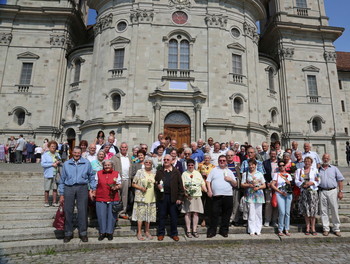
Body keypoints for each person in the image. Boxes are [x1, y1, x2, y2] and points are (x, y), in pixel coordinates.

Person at [59, 146, 96, 243]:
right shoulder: (66, 164)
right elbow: (62, 179)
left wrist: (93, 188)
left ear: (81, 153)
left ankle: (83, 233)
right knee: (68, 211)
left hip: (82, 187)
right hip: (69, 188)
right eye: (75, 152)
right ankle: (68, 233)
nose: (76, 154)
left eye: (78, 153)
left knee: (83, 211)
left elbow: (91, 176)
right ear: (72, 153)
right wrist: (61, 193)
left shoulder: (86, 163)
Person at [155, 154, 184, 241]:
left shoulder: (176, 172)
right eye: (165, 160)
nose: (166, 161)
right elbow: (155, 183)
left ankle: (174, 233)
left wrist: (180, 198)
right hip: (162, 197)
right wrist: (157, 186)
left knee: (174, 217)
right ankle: (161, 233)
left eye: (168, 159)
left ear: (171, 161)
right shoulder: (159, 171)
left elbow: (180, 186)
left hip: (173, 198)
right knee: (161, 216)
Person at [206, 155, 237, 238]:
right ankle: (212, 231)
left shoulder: (229, 171)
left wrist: (230, 179)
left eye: (223, 160)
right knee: (214, 214)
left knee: (226, 215)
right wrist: (209, 190)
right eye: (220, 160)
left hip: (228, 195)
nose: (222, 162)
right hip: (217, 196)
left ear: (226, 161)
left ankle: (224, 231)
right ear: (218, 161)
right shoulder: (214, 170)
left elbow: (235, 184)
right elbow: (208, 181)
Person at [318, 153, 344, 237]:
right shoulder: (319, 169)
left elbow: (340, 180)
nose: (326, 159)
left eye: (327, 158)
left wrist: (340, 191)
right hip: (322, 191)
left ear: (329, 159)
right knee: (323, 211)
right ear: (322, 159)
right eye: (324, 158)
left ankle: (336, 228)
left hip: (332, 191)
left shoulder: (334, 168)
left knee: (334, 210)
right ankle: (326, 228)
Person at [95, 159, 121, 241]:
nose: (107, 166)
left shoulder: (116, 173)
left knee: (111, 216)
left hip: (113, 197)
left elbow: (119, 184)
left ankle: (109, 232)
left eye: (109, 165)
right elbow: (95, 184)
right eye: (105, 165)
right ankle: (102, 232)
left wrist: (116, 187)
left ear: (112, 166)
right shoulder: (98, 173)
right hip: (101, 196)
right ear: (103, 166)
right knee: (101, 215)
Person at [131, 157, 156, 240]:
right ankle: (139, 232)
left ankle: (147, 231)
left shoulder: (154, 173)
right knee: (140, 216)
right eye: (146, 162)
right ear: (144, 163)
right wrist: (141, 188)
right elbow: (133, 183)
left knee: (148, 216)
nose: (148, 163)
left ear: (152, 164)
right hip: (141, 197)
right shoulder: (140, 172)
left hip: (151, 197)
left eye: (149, 162)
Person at [181, 159, 207, 238]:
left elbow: (202, 183)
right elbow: (182, 185)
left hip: (197, 196)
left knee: (196, 213)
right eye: (189, 165)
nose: (190, 166)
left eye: (192, 165)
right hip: (188, 196)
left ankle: (194, 230)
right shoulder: (184, 174)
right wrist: (185, 192)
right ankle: (188, 230)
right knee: (188, 213)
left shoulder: (198, 173)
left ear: (194, 165)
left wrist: (207, 191)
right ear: (187, 165)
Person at [295, 157, 320, 236]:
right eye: (305, 161)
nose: (307, 163)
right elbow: (296, 180)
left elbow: (319, 180)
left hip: (312, 192)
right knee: (306, 210)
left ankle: (313, 227)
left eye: (309, 161)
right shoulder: (299, 170)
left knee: (313, 210)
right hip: (304, 192)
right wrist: (303, 185)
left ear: (311, 163)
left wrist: (312, 183)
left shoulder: (315, 170)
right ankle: (307, 227)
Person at [241, 159, 266, 236]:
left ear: (255, 165)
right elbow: (242, 184)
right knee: (251, 213)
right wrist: (249, 185)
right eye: (250, 165)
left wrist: (258, 187)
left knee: (258, 213)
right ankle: (251, 230)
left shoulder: (260, 174)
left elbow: (264, 185)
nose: (251, 166)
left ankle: (258, 229)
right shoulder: (245, 174)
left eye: (253, 165)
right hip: (250, 195)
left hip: (259, 195)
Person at [270, 161, 293, 236]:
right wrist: (279, 191)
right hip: (280, 194)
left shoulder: (288, 175)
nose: (281, 167)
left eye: (283, 165)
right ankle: (280, 229)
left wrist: (288, 182)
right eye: (280, 166)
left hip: (288, 194)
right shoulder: (276, 175)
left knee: (287, 212)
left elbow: (291, 185)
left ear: (285, 166)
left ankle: (286, 229)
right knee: (282, 212)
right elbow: (272, 185)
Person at [111, 142, 132, 218]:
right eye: (122, 147)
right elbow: (112, 168)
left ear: (127, 148)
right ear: (120, 148)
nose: (124, 149)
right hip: (117, 180)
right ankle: (115, 211)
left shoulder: (130, 157)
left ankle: (123, 211)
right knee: (117, 196)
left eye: (125, 147)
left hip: (126, 179)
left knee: (124, 196)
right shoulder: (115, 157)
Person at [41, 140, 61, 207]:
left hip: (55, 174)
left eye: (55, 146)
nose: (53, 148)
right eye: (52, 146)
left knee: (55, 188)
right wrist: (52, 164)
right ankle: (46, 202)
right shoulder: (45, 155)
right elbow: (43, 164)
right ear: (49, 147)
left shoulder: (57, 154)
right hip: (48, 173)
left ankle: (54, 202)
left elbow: (59, 160)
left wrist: (58, 162)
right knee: (47, 189)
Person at [262, 149, 279, 227]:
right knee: (268, 203)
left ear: (276, 154)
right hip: (269, 185)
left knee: (276, 203)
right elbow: (263, 174)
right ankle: (267, 220)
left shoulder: (280, 163)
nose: (273, 155)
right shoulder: (265, 163)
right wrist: (267, 183)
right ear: (269, 154)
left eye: (274, 154)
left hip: (278, 186)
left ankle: (274, 220)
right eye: (271, 154)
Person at [198, 153, 215, 227]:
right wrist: (202, 175)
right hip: (202, 187)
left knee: (210, 204)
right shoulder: (200, 165)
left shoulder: (214, 167)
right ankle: (202, 219)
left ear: (210, 159)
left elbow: (215, 176)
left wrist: (208, 176)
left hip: (210, 187)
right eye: (205, 158)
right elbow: (197, 174)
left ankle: (209, 218)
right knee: (202, 203)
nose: (207, 159)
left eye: (208, 158)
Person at [226, 150, 242, 226]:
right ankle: (228, 219)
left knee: (236, 203)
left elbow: (240, 175)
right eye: (228, 155)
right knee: (228, 204)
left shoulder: (237, 165)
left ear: (234, 156)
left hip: (235, 186)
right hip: (226, 187)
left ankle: (235, 219)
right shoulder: (224, 164)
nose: (230, 157)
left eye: (231, 155)